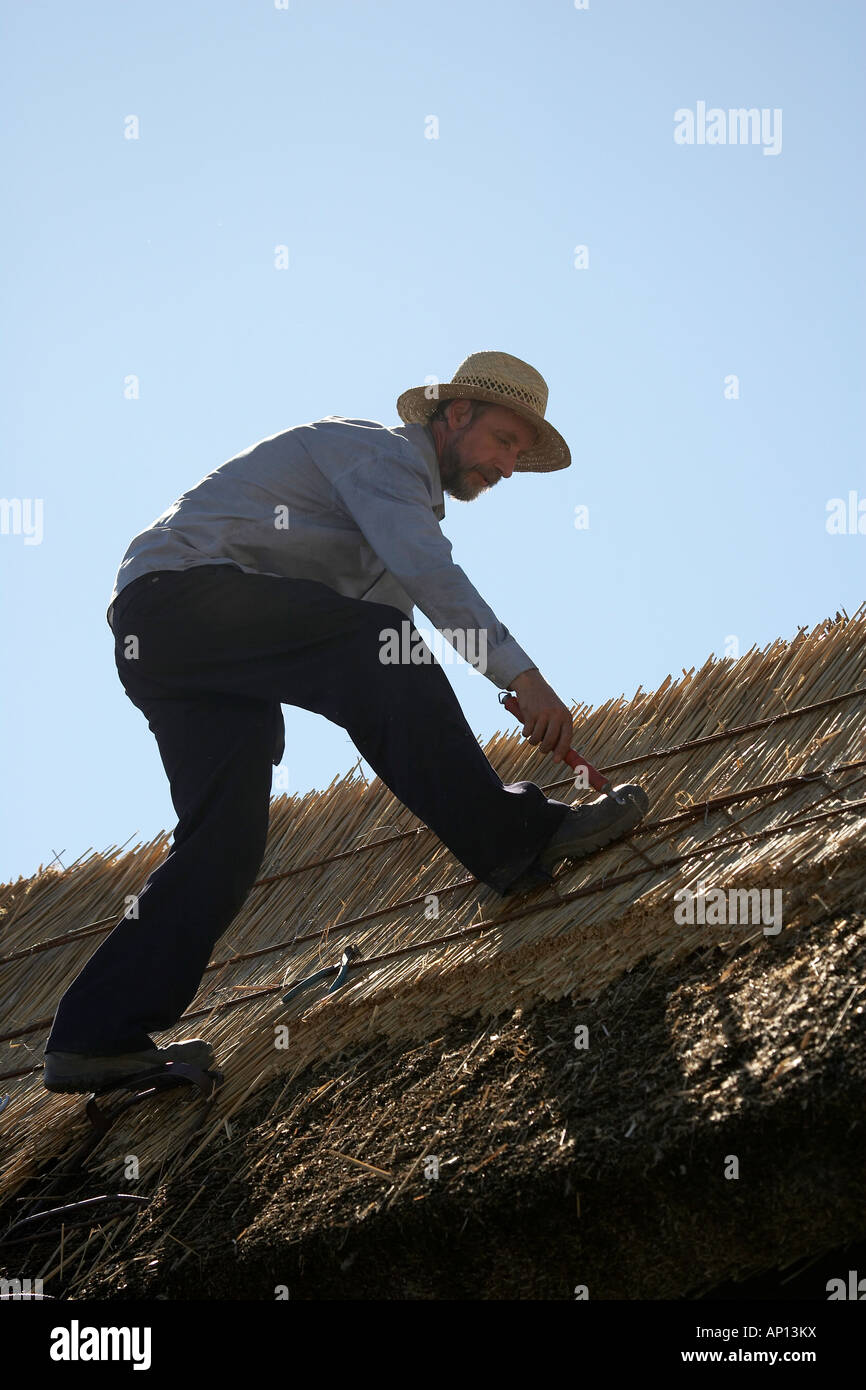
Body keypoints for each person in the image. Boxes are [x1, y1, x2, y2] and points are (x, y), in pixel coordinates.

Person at [43, 351, 647, 1094]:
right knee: (376, 648)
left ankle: (96, 1035)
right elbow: (427, 583)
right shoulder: (380, 456)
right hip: (178, 602)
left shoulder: (382, 522)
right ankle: (514, 842)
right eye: (505, 442)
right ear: (455, 416)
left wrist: (504, 690)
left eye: (521, 454)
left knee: (227, 842)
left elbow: (396, 658)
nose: (509, 468)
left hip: (182, 646)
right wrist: (524, 674)